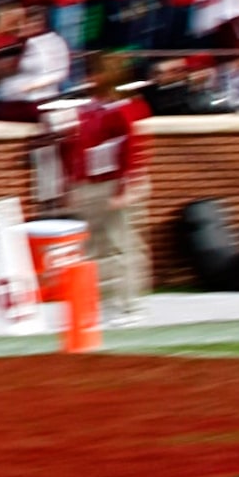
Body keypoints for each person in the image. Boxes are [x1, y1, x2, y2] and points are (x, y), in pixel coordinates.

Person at [61, 59, 152, 324]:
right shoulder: (88, 109)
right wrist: (73, 184)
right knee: (94, 248)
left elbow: (133, 147)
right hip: (92, 185)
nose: (89, 79)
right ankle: (100, 304)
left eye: (94, 73)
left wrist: (126, 187)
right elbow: (78, 149)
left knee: (122, 245)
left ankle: (129, 306)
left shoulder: (126, 107)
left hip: (115, 182)